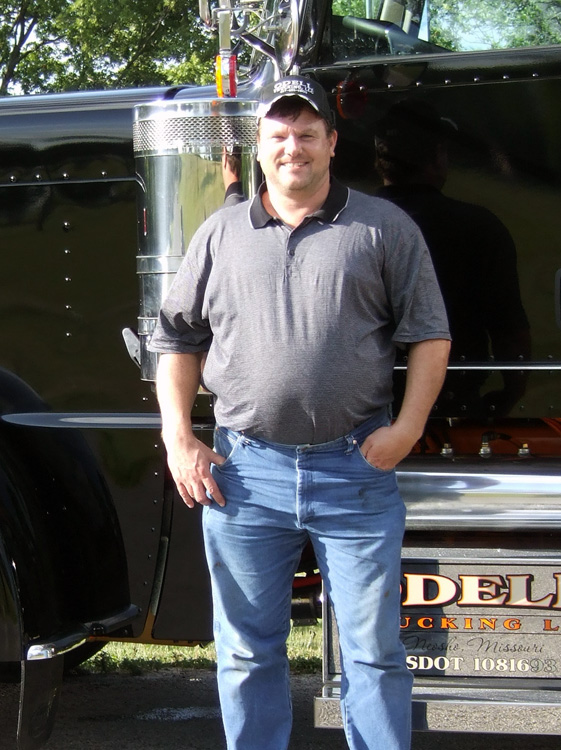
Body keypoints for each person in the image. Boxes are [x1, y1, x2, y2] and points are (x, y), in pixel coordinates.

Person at [149, 75, 451, 750]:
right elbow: (176, 338)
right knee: (246, 651)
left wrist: (406, 429)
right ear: (258, 147)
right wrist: (178, 437)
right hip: (244, 475)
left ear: (332, 143)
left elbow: (430, 335)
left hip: (355, 471)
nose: (294, 148)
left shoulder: (383, 227)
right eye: (279, 135)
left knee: (373, 653)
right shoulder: (219, 233)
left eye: (307, 134)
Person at [375, 99, 530, 416]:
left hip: (363, 412)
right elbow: (509, 329)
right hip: (455, 404)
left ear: (380, 161)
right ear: (437, 157)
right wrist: (512, 392)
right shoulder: (479, 227)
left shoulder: (346, 227)